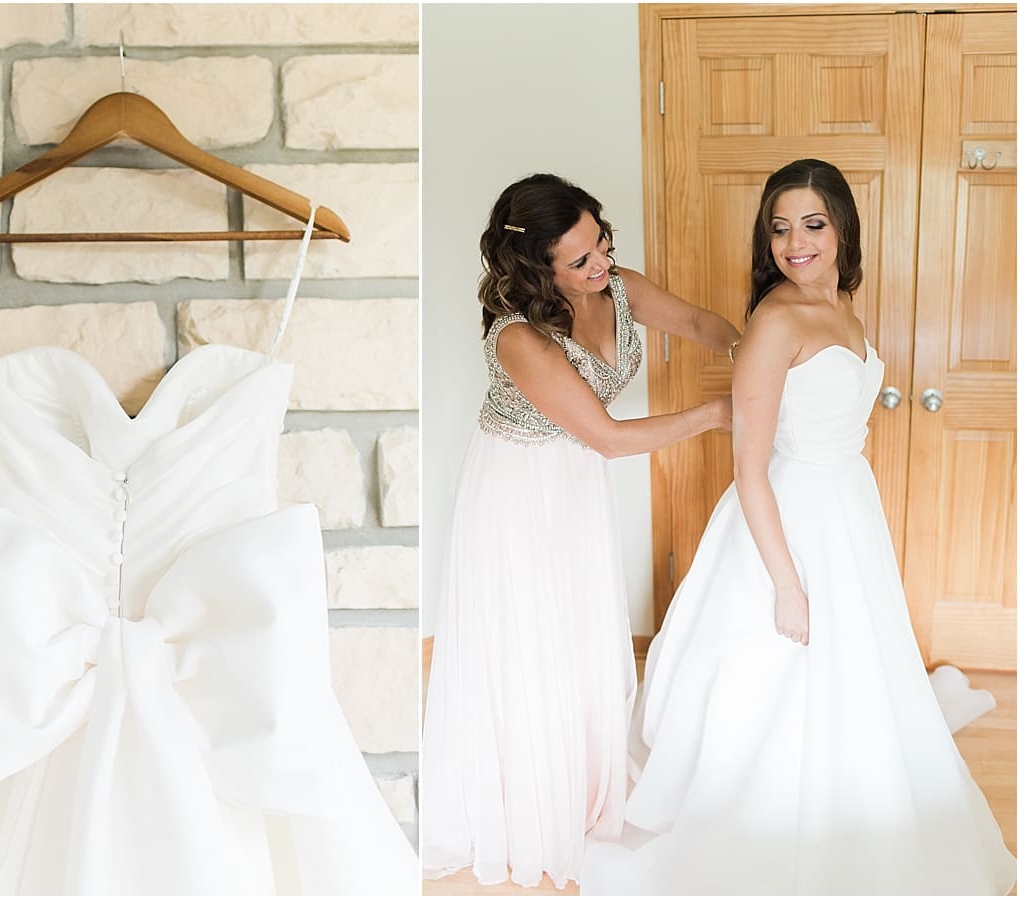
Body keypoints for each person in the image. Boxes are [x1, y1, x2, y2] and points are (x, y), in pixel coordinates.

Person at [580, 159, 1016, 895]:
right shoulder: (775, 321)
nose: (794, 243)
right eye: (779, 229)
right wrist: (787, 584)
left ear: (843, 227)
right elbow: (749, 468)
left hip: (848, 509)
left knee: (858, 670)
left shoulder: (843, 305)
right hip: (785, 517)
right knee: (780, 672)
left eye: (812, 224)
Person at [421, 173, 740, 889]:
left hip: (574, 483)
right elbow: (609, 437)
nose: (601, 264)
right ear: (539, 268)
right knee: (532, 638)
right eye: (580, 260)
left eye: (601, 242)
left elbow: (696, 322)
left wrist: (748, 350)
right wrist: (718, 414)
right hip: (518, 490)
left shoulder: (617, 287)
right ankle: (531, 799)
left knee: (580, 630)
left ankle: (585, 778)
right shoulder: (519, 338)